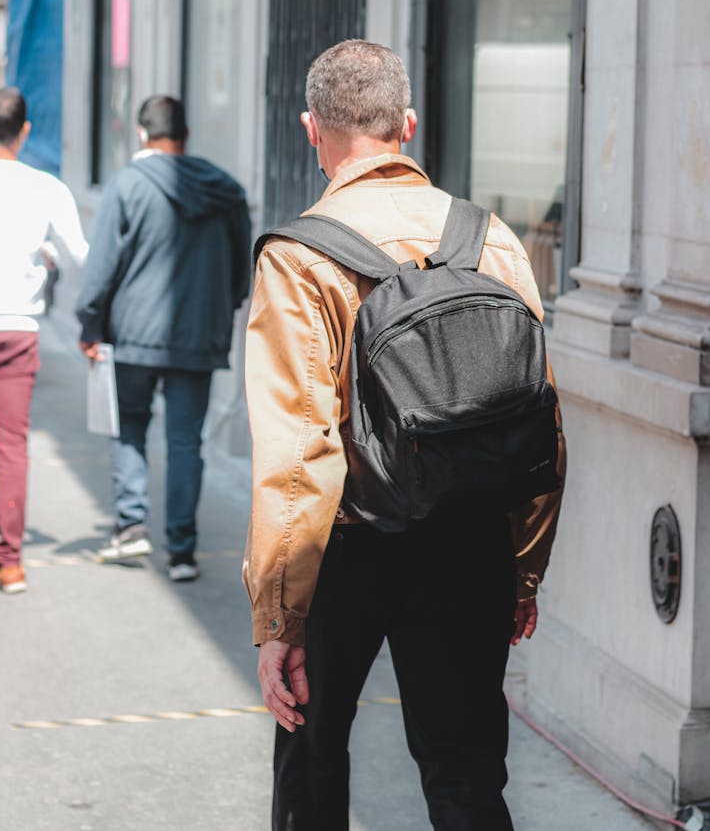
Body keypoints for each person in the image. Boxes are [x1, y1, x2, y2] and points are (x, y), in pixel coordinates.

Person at [243, 40, 567, 830]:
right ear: (408, 124)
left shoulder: (298, 258)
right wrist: (522, 570)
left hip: (345, 550)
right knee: (465, 774)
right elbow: (538, 420)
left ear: (310, 129)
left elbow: (299, 455)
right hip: (470, 539)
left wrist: (280, 620)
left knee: (312, 766)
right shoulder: (490, 237)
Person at [76, 95, 251, 582]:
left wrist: (90, 324)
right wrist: (225, 308)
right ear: (186, 134)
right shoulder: (226, 190)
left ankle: (131, 529)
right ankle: (182, 551)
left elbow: (101, 269)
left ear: (141, 134)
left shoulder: (127, 185)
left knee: (129, 427)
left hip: (131, 335)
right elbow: (243, 267)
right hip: (198, 335)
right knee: (185, 441)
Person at [0, 87, 88, 594]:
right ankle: (9, 562)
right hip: (15, 328)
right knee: (12, 447)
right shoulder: (46, 189)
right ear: (26, 131)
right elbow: (79, 257)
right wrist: (45, 256)